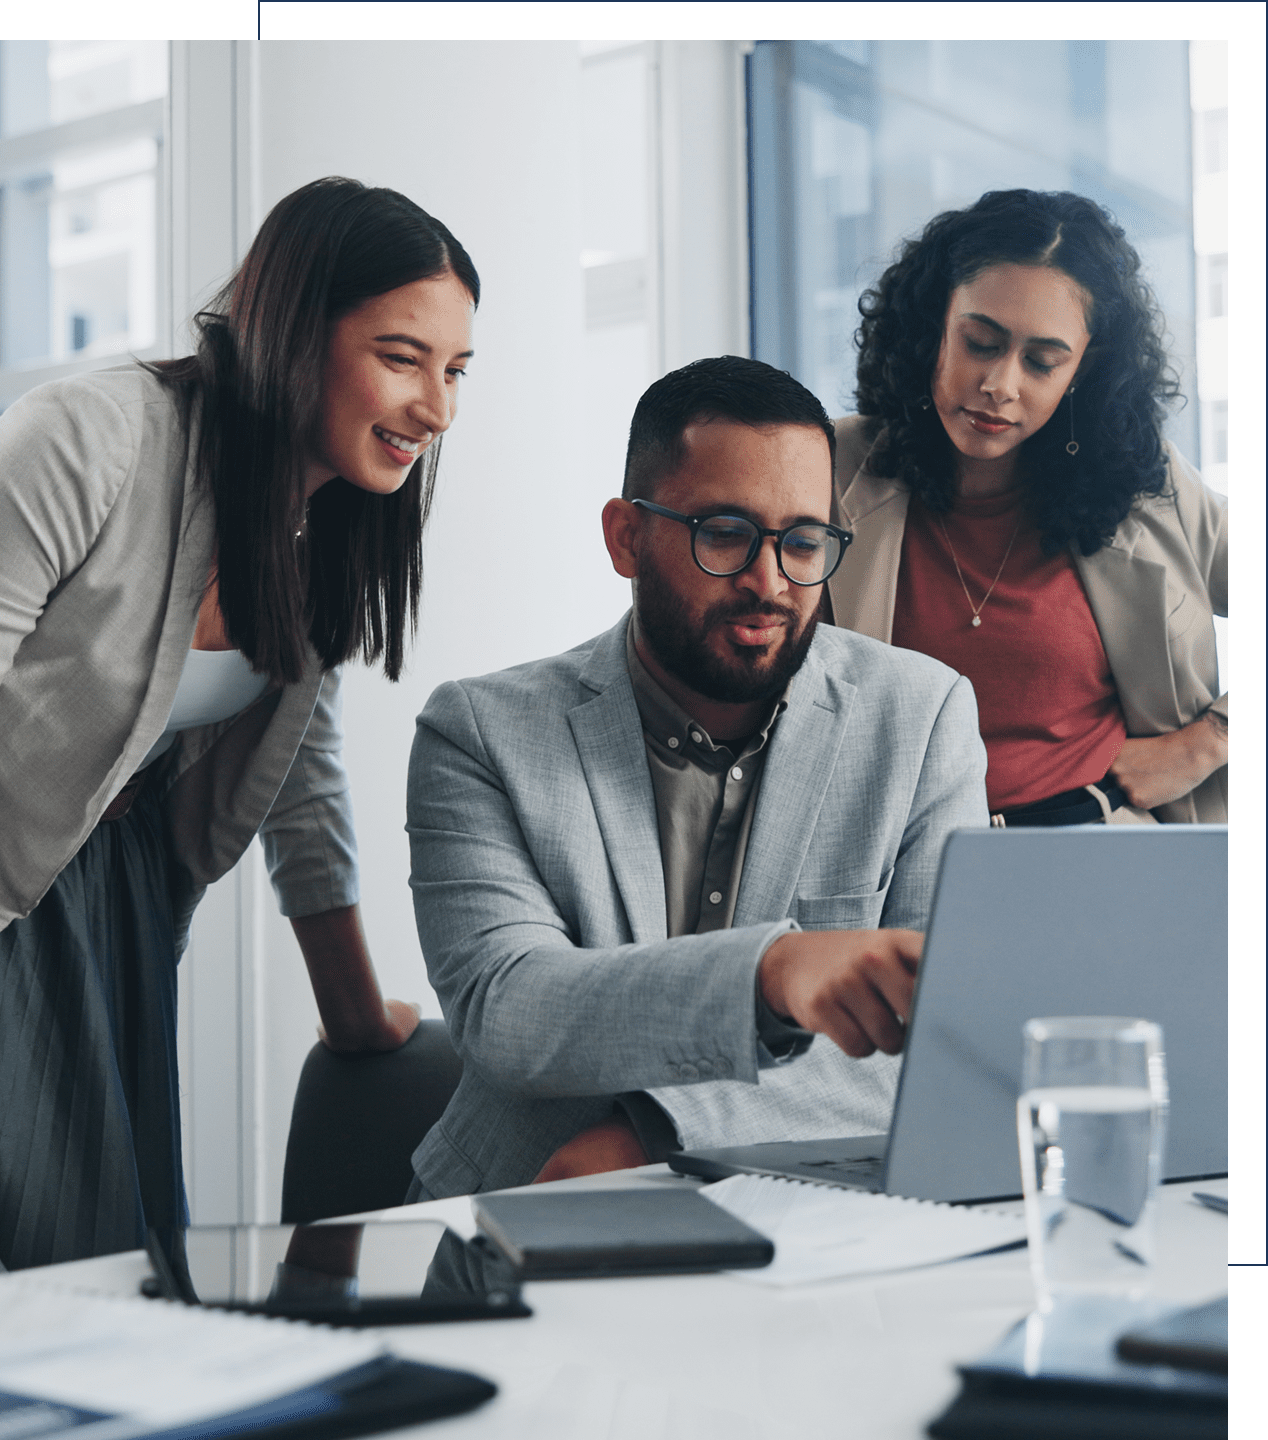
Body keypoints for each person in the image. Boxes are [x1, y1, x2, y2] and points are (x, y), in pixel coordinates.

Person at [0, 177, 478, 1269]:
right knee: (46, 1276)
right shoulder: (94, 436)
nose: (437, 410)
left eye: (454, 372)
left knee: (115, 1268)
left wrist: (354, 1013)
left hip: (109, 906)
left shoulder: (322, 533)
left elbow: (295, 774)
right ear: (289, 331)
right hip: (12, 894)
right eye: (402, 358)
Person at [405, 357, 987, 1197]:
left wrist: (655, 1132)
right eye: (724, 533)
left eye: (803, 541)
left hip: (816, 1218)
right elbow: (510, 1011)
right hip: (517, 1205)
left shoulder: (922, 716)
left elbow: (945, 1037)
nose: (770, 582)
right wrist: (774, 974)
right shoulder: (481, 732)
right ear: (626, 538)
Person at [826, 189, 1226, 826]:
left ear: (1083, 371)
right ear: (933, 326)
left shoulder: (1146, 485)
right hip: (896, 868)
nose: (1000, 386)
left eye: (1042, 362)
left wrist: (1209, 742)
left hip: (1106, 854)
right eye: (980, 343)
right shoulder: (831, 467)